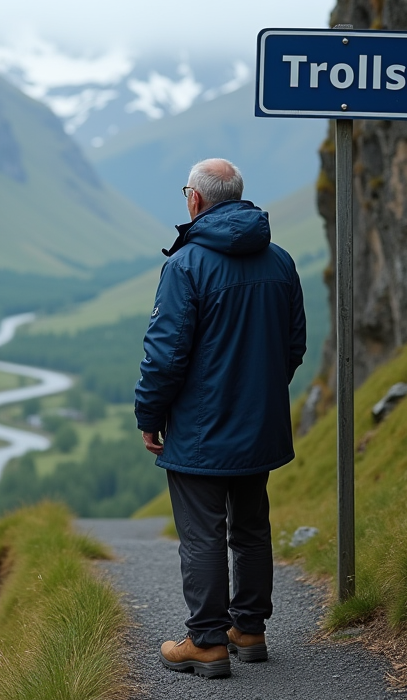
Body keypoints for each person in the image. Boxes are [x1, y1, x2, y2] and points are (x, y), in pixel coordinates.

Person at [135, 158, 306, 679]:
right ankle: (249, 631)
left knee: (204, 533)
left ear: (195, 200)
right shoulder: (280, 260)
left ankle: (206, 642)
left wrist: (150, 416)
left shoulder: (185, 266)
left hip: (201, 430)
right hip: (260, 425)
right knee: (251, 527)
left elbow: (165, 356)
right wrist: (261, 396)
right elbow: (293, 345)